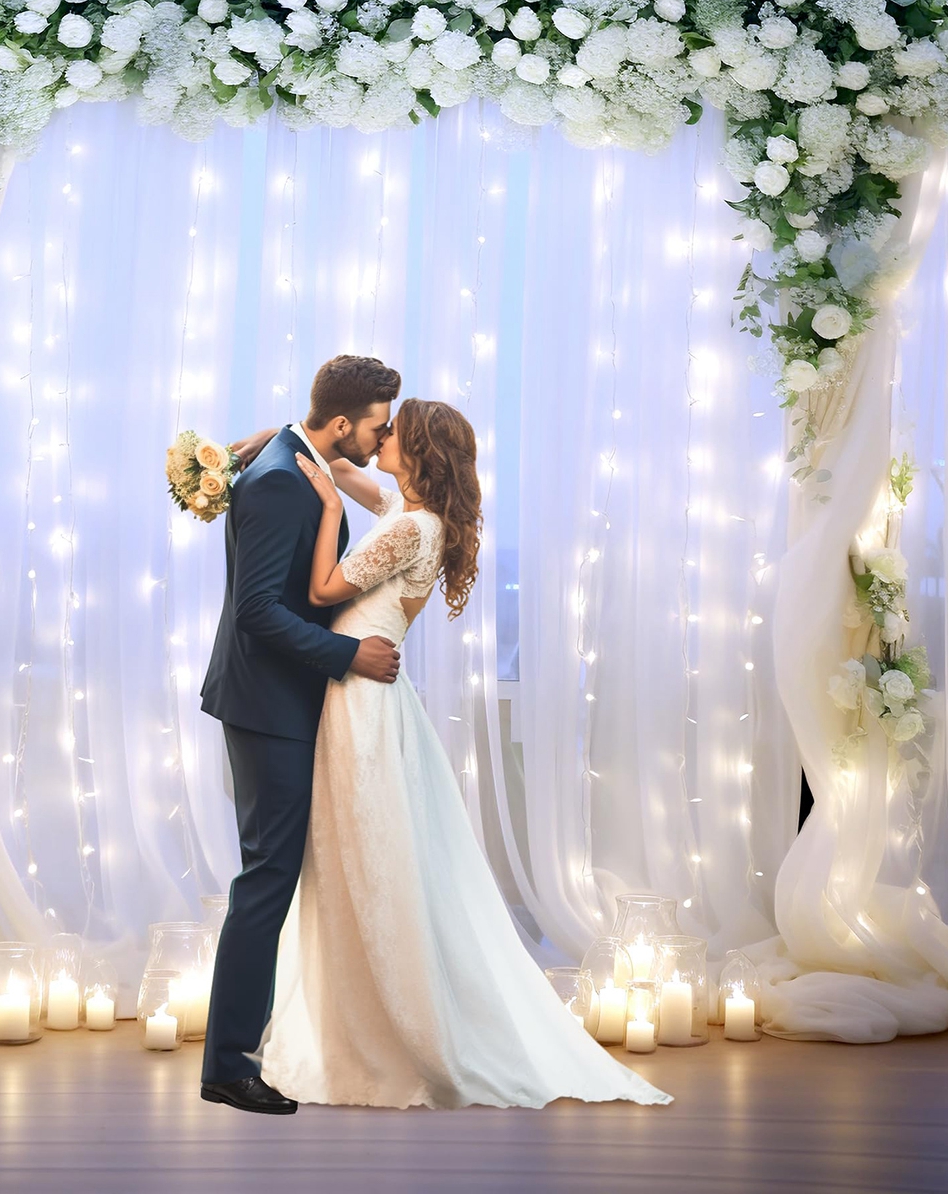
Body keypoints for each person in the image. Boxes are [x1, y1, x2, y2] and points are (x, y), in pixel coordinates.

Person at [252, 397, 673, 1110]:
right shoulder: (413, 512)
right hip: (368, 694)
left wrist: (327, 512)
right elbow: (351, 471)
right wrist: (284, 441)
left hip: (362, 698)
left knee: (366, 855)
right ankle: (362, 1014)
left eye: (395, 432)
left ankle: (386, 1026)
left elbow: (325, 588)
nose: (382, 438)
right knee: (366, 853)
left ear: (417, 450)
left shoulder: (412, 526)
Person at [198, 355, 404, 1115]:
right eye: (377, 425)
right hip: (269, 707)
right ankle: (228, 1066)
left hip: (275, 701)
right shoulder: (285, 478)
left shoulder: (290, 455)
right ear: (343, 421)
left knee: (272, 880)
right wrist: (350, 655)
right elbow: (259, 610)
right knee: (266, 884)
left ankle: (247, 1051)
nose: (383, 438)